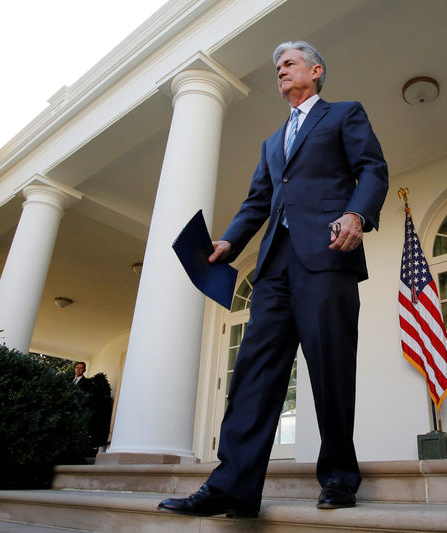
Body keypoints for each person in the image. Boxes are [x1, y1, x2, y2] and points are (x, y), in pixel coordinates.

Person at [158, 40, 388, 518]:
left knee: (330, 367)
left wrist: (357, 215)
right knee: (253, 375)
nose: (279, 72)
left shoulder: (344, 114)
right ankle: (232, 488)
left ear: (316, 70)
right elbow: (257, 202)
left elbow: (372, 169)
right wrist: (227, 243)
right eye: (276, 67)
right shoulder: (271, 142)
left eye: (288, 64)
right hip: (273, 268)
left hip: (326, 253)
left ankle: (340, 477)